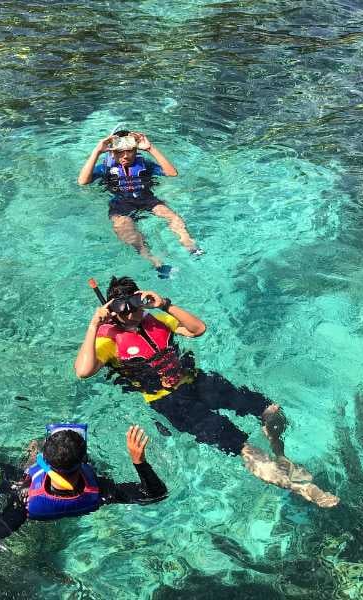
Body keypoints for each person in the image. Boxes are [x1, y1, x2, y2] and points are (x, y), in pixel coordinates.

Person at [73, 276, 339, 508]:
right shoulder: (108, 339)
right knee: (243, 447)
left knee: (271, 410)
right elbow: (83, 371)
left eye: (137, 303)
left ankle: (281, 455)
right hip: (169, 402)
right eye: (127, 308)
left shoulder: (156, 319)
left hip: (198, 381)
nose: (134, 312)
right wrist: (94, 324)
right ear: (114, 311)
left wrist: (164, 304)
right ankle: (303, 488)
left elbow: (197, 329)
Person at [0, 424, 167, 565]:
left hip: (28, 494)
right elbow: (155, 494)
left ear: (44, 462)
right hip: (75, 492)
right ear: (84, 462)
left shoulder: (23, 501)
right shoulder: (101, 490)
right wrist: (139, 460)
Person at [77, 130, 201, 278]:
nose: (125, 156)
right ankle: (156, 262)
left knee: (171, 215)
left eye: (130, 151)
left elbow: (172, 173)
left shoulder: (145, 165)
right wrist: (97, 151)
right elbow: (82, 181)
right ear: (112, 153)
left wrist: (150, 148)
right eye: (120, 152)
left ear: (135, 150)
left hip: (146, 198)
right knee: (124, 228)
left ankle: (190, 246)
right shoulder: (105, 168)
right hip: (120, 203)